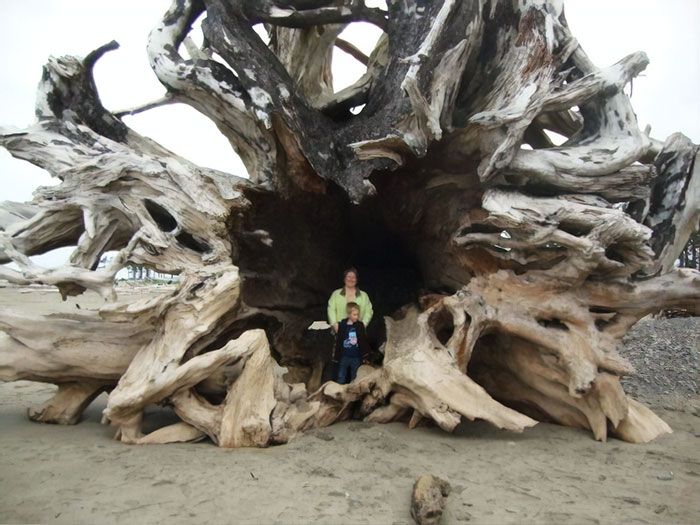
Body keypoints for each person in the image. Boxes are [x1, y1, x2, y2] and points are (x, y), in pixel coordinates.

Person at [333, 302, 371, 384]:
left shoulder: (359, 325)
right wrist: (336, 356)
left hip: (356, 357)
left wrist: (366, 355)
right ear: (349, 314)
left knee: (355, 378)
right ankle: (339, 394)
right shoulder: (342, 325)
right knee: (341, 376)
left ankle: (353, 395)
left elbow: (363, 341)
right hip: (344, 356)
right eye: (354, 315)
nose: (356, 317)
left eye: (357, 314)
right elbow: (339, 341)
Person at [327, 267, 373, 332]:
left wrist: (363, 325)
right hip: (339, 329)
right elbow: (331, 310)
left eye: (354, 277)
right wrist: (335, 325)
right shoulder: (336, 294)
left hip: (358, 331)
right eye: (349, 276)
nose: (351, 279)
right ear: (344, 278)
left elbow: (369, 311)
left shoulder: (364, 295)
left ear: (356, 280)